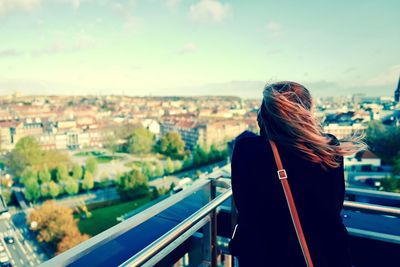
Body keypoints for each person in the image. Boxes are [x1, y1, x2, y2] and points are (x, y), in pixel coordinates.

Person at [229, 81, 365, 267]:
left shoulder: (248, 149)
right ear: (307, 112)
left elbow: (244, 204)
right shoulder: (328, 148)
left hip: (264, 256)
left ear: (265, 114)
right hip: (323, 255)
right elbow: (333, 205)